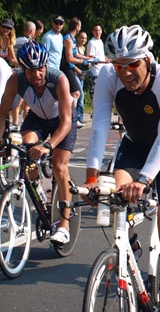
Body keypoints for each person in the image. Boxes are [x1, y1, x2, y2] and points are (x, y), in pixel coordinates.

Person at [85, 25, 160, 312]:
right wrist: (91, 178)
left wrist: (143, 180)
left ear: (147, 59)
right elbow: (99, 126)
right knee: (114, 197)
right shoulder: (108, 77)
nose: (125, 73)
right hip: (134, 145)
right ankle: (127, 248)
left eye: (132, 64)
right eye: (119, 66)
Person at [0, 40, 76, 244]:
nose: (37, 74)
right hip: (37, 118)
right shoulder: (15, 80)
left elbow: (66, 122)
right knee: (25, 148)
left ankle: (64, 226)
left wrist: (48, 146)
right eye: (31, 70)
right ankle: (38, 189)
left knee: (59, 166)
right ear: (23, 69)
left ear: (46, 66)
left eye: (41, 68)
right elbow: (2, 113)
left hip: (62, 120)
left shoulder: (58, 79)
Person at [61, 17, 92, 128]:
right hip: (65, 68)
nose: (80, 27)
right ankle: (71, 118)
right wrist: (83, 62)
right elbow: (70, 58)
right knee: (76, 93)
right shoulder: (68, 39)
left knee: (72, 94)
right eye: (80, 25)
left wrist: (89, 58)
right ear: (77, 26)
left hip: (69, 68)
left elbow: (76, 54)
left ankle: (70, 118)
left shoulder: (72, 38)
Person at [86, 24, 109, 110]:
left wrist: (107, 60)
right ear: (92, 32)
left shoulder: (100, 42)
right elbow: (91, 59)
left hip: (102, 71)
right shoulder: (92, 43)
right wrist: (103, 61)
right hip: (94, 72)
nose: (97, 32)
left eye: (99, 30)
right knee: (94, 93)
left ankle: (100, 110)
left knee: (102, 93)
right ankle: (95, 111)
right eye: (95, 30)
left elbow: (101, 56)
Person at [75, 31, 89, 126]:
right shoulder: (75, 48)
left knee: (80, 95)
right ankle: (77, 117)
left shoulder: (83, 48)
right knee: (80, 95)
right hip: (75, 73)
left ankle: (80, 117)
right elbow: (71, 62)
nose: (83, 40)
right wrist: (77, 70)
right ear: (78, 38)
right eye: (81, 37)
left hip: (82, 75)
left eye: (85, 38)